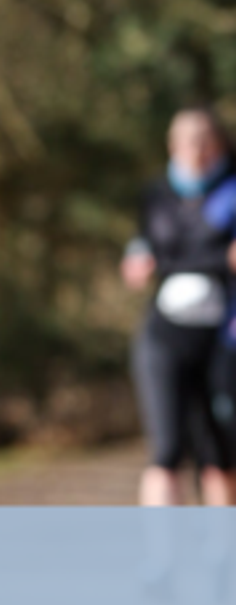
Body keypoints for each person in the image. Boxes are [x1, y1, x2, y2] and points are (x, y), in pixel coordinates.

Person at [122, 107, 236, 506]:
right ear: (172, 146)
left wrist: (173, 264)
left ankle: (224, 563)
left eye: (205, 139)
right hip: (164, 335)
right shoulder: (156, 194)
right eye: (188, 140)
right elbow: (142, 246)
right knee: (165, 451)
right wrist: (136, 258)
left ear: (220, 142)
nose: (197, 149)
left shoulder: (232, 190)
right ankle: (161, 564)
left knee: (219, 454)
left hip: (223, 340)